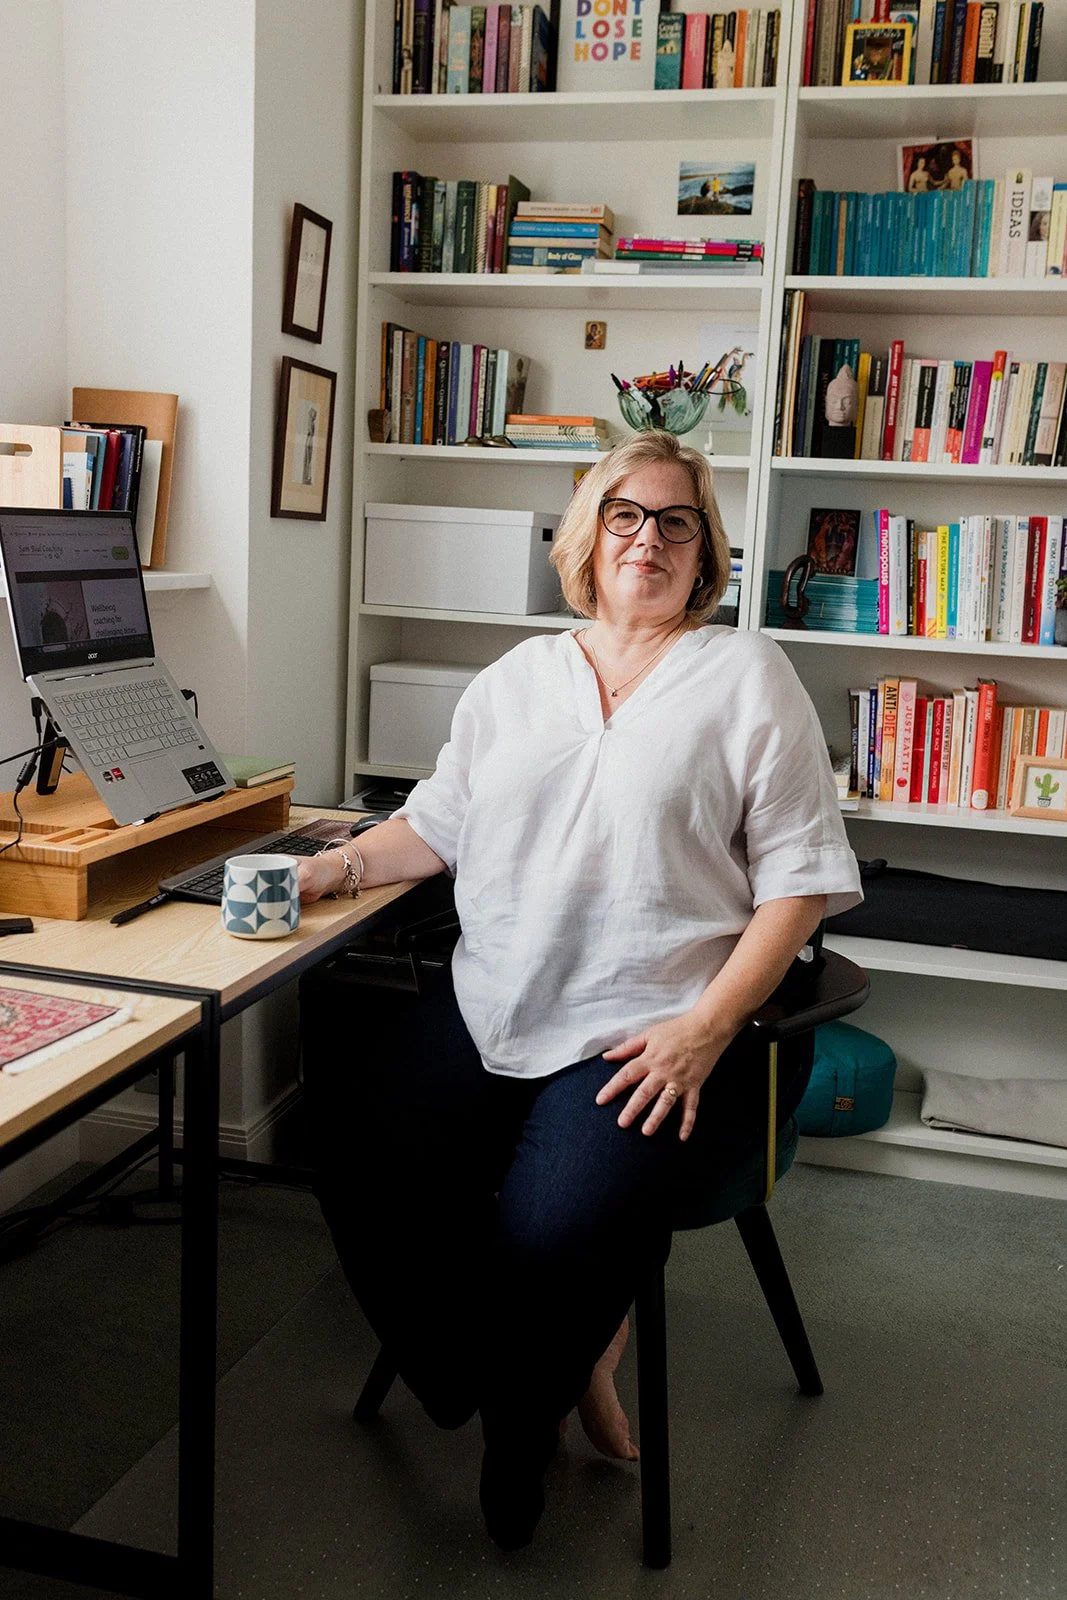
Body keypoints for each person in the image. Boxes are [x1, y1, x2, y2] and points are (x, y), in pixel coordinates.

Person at [299, 430, 862, 1551]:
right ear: (586, 536)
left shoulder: (747, 678)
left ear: (703, 554)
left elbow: (797, 887)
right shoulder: (516, 680)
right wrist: (335, 864)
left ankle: (521, 1422)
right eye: (623, 515)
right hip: (492, 1000)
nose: (645, 537)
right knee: (354, 1142)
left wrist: (705, 1030)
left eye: (674, 520)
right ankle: (542, 1365)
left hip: (647, 1029)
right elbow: (435, 826)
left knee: (550, 1227)